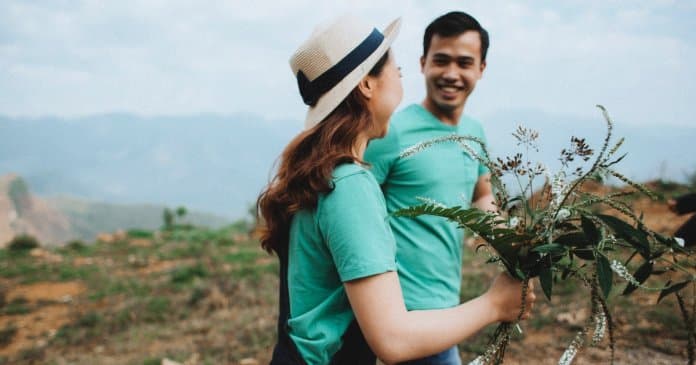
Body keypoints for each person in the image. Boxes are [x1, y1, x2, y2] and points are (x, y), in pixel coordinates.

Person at [257, 15, 534, 365]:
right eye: (395, 67)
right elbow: (393, 339)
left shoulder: (328, 174)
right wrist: (495, 304)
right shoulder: (351, 186)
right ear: (367, 85)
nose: (401, 76)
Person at [363, 11, 495, 364]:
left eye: (465, 63)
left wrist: (508, 237)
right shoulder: (391, 133)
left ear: (481, 68)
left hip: (447, 310)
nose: (451, 74)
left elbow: (482, 194)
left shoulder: (475, 133)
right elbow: (356, 209)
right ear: (423, 63)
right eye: (441, 60)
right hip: (402, 316)